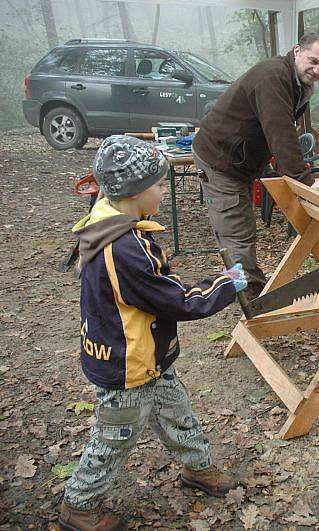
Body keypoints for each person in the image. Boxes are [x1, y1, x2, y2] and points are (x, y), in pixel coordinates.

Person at [59, 136, 249, 530]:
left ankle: (198, 468)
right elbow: (176, 300)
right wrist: (226, 284)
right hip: (127, 365)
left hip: (148, 357)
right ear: (134, 191)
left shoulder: (107, 219)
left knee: (177, 412)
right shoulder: (126, 248)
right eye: (161, 185)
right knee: (115, 438)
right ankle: (78, 505)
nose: (165, 190)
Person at [192, 32, 319, 300]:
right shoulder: (274, 77)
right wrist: (305, 180)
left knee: (241, 232)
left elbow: (276, 131)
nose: (317, 70)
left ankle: (251, 291)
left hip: (239, 161)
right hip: (221, 160)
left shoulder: (295, 83)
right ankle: (250, 301)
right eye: (313, 61)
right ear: (296, 51)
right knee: (237, 234)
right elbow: (280, 131)